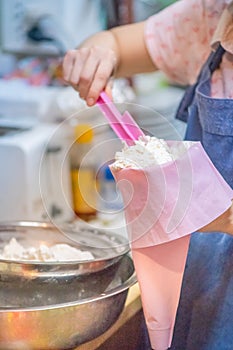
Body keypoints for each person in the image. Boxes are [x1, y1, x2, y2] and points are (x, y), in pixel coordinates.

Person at [63, 0, 233, 349]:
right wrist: (97, 54)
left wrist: (224, 215)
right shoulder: (210, 17)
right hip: (187, 287)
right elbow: (116, 45)